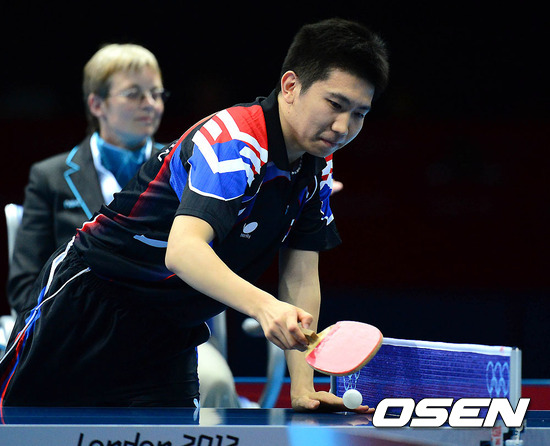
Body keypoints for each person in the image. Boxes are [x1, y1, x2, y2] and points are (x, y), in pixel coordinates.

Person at [0, 18, 389, 412]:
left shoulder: (317, 167)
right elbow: (183, 251)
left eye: (360, 113)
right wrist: (264, 306)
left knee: (173, 437)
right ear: (290, 86)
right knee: (20, 429)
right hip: (88, 303)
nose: (343, 126)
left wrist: (303, 388)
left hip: (170, 326)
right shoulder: (235, 141)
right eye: (335, 104)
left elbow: (300, 275)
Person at [7, 43, 167, 314]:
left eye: (156, 94)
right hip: (79, 328)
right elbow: (25, 287)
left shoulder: (181, 168)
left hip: (163, 326)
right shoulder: (49, 177)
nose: (150, 104)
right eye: (134, 94)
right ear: (96, 104)